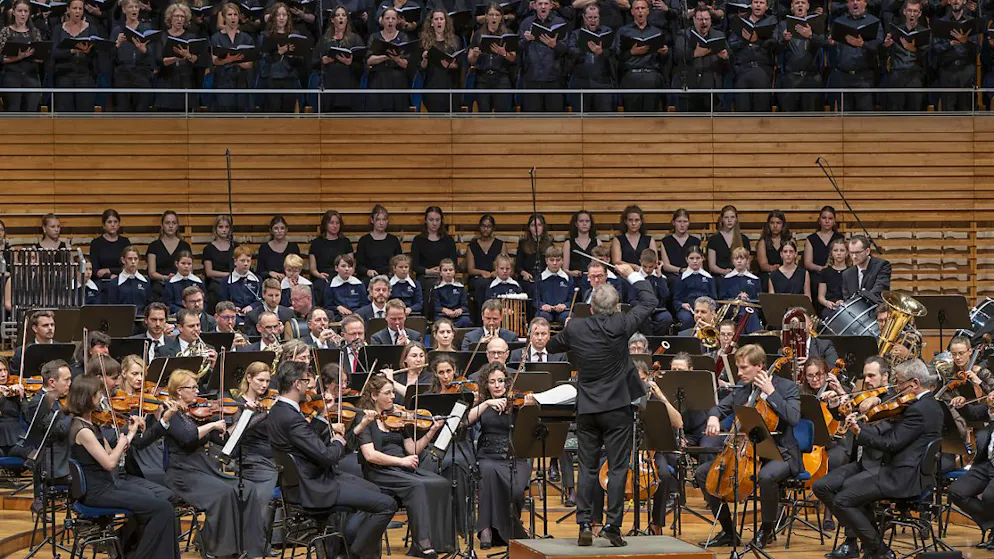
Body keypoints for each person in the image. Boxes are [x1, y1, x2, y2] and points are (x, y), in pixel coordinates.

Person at [545, 261, 656, 547]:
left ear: (591, 307)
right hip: (617, 408)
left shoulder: (577, 328)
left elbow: (552, 346)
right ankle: (612, 526)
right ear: (616, 307)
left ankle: (584, 523)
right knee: (617, 468)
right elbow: (650, 300)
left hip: (588, 409)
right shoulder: (622, 323)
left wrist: (568, 332)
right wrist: (630, 274)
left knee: (589, 468)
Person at [268, 360, 397, 559]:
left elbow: (307, 440)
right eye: (307, 382)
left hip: (305, 481)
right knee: (387, 504)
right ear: (296, 384)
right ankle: (353, 553)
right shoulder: (292, 418)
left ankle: (345, 545)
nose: (311, 388)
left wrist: (320, 416)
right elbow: (328, 456)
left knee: (374, 490)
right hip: (313, 487)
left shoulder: (279, 410)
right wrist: (338, 440)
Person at [829, 359, 943, 559]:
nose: (896, 388)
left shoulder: (917, 410)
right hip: (909, 472)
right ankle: (873, 547)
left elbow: (891, 444)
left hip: (903, 477)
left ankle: (880, 551)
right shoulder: (929, 404)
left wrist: (858, 431)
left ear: (914, 383)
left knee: (842, 499)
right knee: (849, 491)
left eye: (899, 382)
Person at [696, 344, 801, 548]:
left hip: (781, 454)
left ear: (760, 366)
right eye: (738, 367)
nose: (739, 372)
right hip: (747, 453)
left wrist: (771, 393)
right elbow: (719, 407)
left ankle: (766, 530)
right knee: (702, 473)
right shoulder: (743, 391)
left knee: (766, 476)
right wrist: (713, 417)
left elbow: (794, 418)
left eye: (744, 368)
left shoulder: (787, 387)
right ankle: (728, 531)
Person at [66, 375, 178, 559]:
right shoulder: (83, 430)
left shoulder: (91, 425)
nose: (102, 397)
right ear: (87, 397)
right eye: (98, 394)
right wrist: (121, 442)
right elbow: (110, 464)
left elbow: (114, 456)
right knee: (162, 509)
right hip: (98, 492)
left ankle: (131, 552)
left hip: (108, 486)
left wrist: (131, 433)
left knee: (159, 503)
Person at [162, 368, 269, 558]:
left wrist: (248, 416)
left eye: (197, 387)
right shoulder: (171, 414)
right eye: (192, 388)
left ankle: (249, 547)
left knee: (247, 488)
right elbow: (187, 437)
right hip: (182, 473)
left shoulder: (199, 413)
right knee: (225, 493)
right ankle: (218, 549)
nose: (197, 391)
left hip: (203, 468)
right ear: (179, 390)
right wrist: (212, 425)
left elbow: (225, 439)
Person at [357, 374, 453, 557]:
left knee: (441, 482)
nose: (393, 397)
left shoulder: (397, 418)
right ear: (374, 396)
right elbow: (370, 455)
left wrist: (431, 432)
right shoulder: (365, 420)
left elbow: (412, 448)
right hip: (380, 471)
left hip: (403, 468)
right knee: (417, 486)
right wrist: (402, 461)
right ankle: (422, 545)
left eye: (393, 392)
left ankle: (441, 542)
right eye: (388, 393)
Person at [814, 356, 892, 559]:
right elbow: (846, 413)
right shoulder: (866, 396)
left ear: (885, 376)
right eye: (865, 375)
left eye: (872, 376)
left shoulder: (892, 401)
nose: (866, 380)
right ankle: (865, 538)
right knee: (822, 486)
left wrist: (866, 412)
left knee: (846, 490)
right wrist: (835, 403)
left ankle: (856, 543)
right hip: (861, 462)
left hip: (880, 465)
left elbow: (880, 433)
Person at [466, 362, 535, 547]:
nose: (497, 385)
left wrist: (528, 409)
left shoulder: (516, 402)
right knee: (487, 476)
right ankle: (486, 529)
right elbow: (464, 421)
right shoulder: (482, 402)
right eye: (492, 382)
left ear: (507, 382)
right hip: (487, 455)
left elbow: (530, 429)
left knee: (518, 491)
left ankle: (510, 529)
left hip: (514, 455)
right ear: (486, 384)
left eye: (500, 381)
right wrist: (486, 402)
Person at [828, 0, 882, 112]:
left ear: (866, 3)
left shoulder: (874, 21)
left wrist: (863, 44)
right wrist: (831, 43)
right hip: (843, 77)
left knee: (864, 119)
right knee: (844, 120)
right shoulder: (839, 22)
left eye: (858, 0)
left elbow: (880, 47)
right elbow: (830, 48)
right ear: (847, 4)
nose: (855, 3)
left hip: (864, 78)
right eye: (852, 1)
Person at [671, 7, 727, 111]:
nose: (704, 22)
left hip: (712, 91)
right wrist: (694, 54)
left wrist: (725, 57)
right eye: (700, 19)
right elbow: (677, 56)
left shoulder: (718, 35)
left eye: (706, 19)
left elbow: (729, 59)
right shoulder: (683, 35)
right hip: (689, 91)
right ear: (694, 20)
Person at [51, 0, 101, 112]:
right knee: (65, 114)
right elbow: (54, 53)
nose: (77, 11)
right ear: (68, 10)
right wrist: (72, 50)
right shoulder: (58, 29)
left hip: (85, 75)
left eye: (80, 9)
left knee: (84, 114)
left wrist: (88, 51)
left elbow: (97, 53)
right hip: (64, 75)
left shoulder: (92, 28)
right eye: (74, 8)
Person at [775, 0, 825, 112]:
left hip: (812, 78)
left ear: (808, 6)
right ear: (792, 8)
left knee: (812, 118)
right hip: (790, 78)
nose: (800, 5)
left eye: (803, 2)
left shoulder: (816, 22)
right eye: (797, 3)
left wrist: (811, 36)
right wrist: (784, 40)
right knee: (789, 118)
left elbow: (824, 43)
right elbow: (776, 50)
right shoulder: (783, 24)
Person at [260, 3, 310, 113]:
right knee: (274, 113)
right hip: (272, 79)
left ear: (288, 17)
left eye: (284, 15)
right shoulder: (266, 35)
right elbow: (264, 61)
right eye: (278, 15)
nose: (281, 18)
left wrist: (293, 56)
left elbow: (301, 62)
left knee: (288, 114)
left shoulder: (294, 35)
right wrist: (279, 52)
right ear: (273, 17)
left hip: (290, 79)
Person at [518, 0, 567, 112]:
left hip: (553, 77)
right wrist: (526, 40)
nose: (543, 6)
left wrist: (555, 45)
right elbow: (517, 47)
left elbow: (565, 49)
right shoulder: (526, 22)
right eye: (540, 4)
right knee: (533, 119)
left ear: (551, 5)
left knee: (554, 119)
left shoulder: (559, 22)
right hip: (532, 77)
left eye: (546, 3)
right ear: (535, 6)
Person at [315, 6, 365, 111]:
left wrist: (350, 62)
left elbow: (362, 65)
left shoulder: (355, 39)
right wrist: (323, 61)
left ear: (347, 19)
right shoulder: (324, 40)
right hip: (330, 85)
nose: (341, 18)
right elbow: (313, 63)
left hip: (349, 86)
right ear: (333, 20)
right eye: (338, 15)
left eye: (343, 15)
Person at [155, 2, 204, 112]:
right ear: (170, 19)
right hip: (166, 83)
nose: (179, 19)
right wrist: (177, 57)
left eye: (182, 17)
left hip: (185, 83)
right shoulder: (162, 36)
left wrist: (189, 56)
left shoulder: (191, 37)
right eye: (176, 16)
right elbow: (159, 61)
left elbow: (198, 61)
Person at [109, 0, 155, 112]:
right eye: (130, 7)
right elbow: (110, 56)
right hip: (122, 73)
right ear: (124, 10)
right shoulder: (117, 30)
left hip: (141, 73)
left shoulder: (147, 29)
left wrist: (144, 50)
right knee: (123, 109)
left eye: (136, 7)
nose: (134, 9)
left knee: (142, 110)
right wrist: (117, 44)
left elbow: (153, 56)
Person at [567, 4, 614, 112]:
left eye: (595, 17)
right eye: (590, 17)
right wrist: (585, 49)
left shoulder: (607, 32)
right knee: (580, 119)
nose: (593, 21)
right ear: (584, 18)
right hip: (580, 81)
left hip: (602, 82)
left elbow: (613, 51)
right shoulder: (576, 34)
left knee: (603, 120)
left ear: (599, 17)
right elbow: (570, 51)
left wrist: (601, 52)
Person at [0, 0, 45, 113]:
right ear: (14, 12)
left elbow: (41, 57)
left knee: (31, 111)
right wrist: (19, 57)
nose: (23, 14)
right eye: (20, 11)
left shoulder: (35, 32)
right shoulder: (6, 32)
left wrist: (39, 57)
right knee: (13, 111)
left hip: (31, 77)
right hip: (11, 78)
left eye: (26, 11)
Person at [210, 2, 256, 112]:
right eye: (229, 15)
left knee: (240, 113)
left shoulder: (246, 38)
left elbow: (249, 64)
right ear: (224, 17)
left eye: (235, 14)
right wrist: (227, 60)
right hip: (223, 80)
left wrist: (235, 60)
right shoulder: (216, 37)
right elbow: (215, 61)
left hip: (241, 81)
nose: (233, 17)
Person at [883, 0, 927, 111]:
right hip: (897, 74)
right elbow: (883, 54)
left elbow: (928, 58)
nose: (912, 14)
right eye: (909, 11)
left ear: (920, 13)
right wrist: (886, 46)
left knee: (914, 112)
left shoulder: (925, 32)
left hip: (915, 76)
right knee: (895, 114)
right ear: (904, 12)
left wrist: (914, 49)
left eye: (915, 11)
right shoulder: (894, 31)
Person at [365, 8, 413, 112]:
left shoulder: (403, 37)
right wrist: (387, 56)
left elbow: (405, 64)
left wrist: (396, 59)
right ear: (382, 20)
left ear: (397, 21)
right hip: (378, 81)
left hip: (398, 82)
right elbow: (369, 60)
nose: (390, 21)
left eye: (393, 18)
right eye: (387, 18)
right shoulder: (374, 37)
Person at [933, 0, 975, 112]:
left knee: (966, 109)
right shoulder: (941, 23)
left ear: (965, 1)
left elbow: (977, 49)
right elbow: (936, 48)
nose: (956, 1)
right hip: (947, 69)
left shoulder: (972, 22)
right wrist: (950, 43)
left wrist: (965, 42)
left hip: (966, 69)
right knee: (948, 110)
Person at [419, 10, 463, 112]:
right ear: (431, 23)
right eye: (436, 19)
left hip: (451, 84)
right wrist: (425, 58)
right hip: (432, 85)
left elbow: (459, 65)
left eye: (441, 19)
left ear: (446, 22)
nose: (439, 22)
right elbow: (421, 67)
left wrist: (449, 65)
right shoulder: (424, 42)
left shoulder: (455, 41)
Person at [309, 210, 354, 307]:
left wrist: (346, 274)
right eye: (331, 223)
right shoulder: (316, 243)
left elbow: (351, 263)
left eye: (337, 223)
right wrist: (320, 275)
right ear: (325, 224)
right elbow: (313, 268)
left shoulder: (345, 242)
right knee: (320, 286)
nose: (335, 226)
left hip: (342, 275)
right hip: (323, 277)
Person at [630, 248, 674, 336]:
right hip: (642, 310)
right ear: (640, 262)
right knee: (644, 319)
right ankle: (648, 339)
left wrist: (659, 277)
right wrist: (643, 308)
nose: (647, 270)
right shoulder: (635, 278)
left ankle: (656, 339)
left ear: (656, 264)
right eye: (644, 266)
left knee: (667, 318)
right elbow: (631, 299)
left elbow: (665, 296)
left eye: (651, 267)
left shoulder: (661, 278)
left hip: (658, 310)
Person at [466, 214, 506, 307]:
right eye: (483, 226)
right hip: (477, 278)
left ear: (493, 228)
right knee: (482, 284)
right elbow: (470, 270)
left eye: (489, 226)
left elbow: (505, 263)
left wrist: (496, 272)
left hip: (496, 276)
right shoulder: (472, 246)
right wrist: (482, 272)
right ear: (479, 227)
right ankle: (482, 315)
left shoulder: (500, 244)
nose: (486, 229)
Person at [673, 246, 717, 330]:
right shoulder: (681, 278)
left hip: (705, 308)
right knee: (687, 319)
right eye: (691, 258)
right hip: (687, 310)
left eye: (698, 258)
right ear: (687, 259)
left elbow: (714, 298)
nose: (695, 261)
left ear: (703, 258)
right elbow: (676, 300)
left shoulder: (709, 278)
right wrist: (681, 305)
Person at [356, 205, 403, 279]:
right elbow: (359, 266)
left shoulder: (393, 240)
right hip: (370, 277)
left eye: (384, 220)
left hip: (390, 277)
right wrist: (367, 271)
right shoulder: (364, 240)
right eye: (378, 220)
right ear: (372, 220)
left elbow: (399, 261)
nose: (381, 223)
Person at [841, 234, 891, 303]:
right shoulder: (847, 274)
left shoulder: (882, 266)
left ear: (867, 251)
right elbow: (847, 300)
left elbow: (879, 292)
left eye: (857, 252)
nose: (854, 256)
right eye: (851, 253)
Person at [203, 214, 239, 306]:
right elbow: (209, 272)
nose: (224, 230)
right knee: (217, 290)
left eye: (227, 227)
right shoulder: (209, 248)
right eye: (220, 227)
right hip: (216, 281)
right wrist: (226, 275)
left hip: (234, 280)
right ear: (215, 229)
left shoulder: (235, 247)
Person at [707, 205, 751, 277]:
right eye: (726, 217)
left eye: (732, 217)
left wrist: (736, 272)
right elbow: (712, 266)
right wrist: (724, 272)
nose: (729, 220)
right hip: (720, 276)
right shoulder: (714, 239)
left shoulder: (744, 239)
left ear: (736, 219)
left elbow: (747, 265)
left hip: (739, 276)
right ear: (722, 219)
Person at [535, 246, 575, 323]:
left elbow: (572, 299)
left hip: (563, 311)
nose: (555, 263)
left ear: (563, 261)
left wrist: (565, 305)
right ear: (546, 261)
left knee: (569, 318)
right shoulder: (539, 278)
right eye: (551, 260)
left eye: (558, 260)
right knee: (541, 317)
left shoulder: (568, 279)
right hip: (545, 311)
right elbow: (535, 299)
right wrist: (542, 305)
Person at [88, 209, 131, 282]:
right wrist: (110, 275)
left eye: (115, 222)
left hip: (123, 279)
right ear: (104, 225)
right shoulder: (96, 243)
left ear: (119, 225)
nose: (113, 225)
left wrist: (109, 270)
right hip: (102, 281)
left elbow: (129, 266)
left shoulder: (125, 242)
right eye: (109, 222)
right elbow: (95, 270)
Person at [10, 309, 57, 374]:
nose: (50, 328)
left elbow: (73, 374)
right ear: (35, 328)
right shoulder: (21, 352)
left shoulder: (65, 349)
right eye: (45, 325)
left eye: (52, 325)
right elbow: (14, 375)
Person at [256, 215, 301, 281]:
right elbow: (259, 272)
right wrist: (270, 273)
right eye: (276, 228)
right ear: (271, 231)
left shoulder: (293, 247)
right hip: (270, 282)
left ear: (286, 230)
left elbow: (298, 269)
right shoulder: (264, 248)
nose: (279, 231)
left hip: (289, 281)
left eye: (282, 228)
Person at [611, 205, 656, 269]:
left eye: (637, 220)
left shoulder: (649, 239)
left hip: (646, 273)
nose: (633, 223)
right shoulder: (618, 240)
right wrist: (635, 267)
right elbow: (616, 261)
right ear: (625, 221)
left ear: (641, 222)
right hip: (624, 274)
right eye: (630, 220)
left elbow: (654, 260)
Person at [562, 210, 599, 287]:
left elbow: (600, 267)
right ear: (576, 224)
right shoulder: (568, 243)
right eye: (581, 221)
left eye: (587, 221)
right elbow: (565, 269)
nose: (584, 224)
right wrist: (571, 273)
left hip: (592, 280)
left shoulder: (597, 243)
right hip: (574, 280)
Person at [326, 254, 368, 320]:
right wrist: (337, 308)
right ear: (336, 268)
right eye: (343, 266)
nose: (347, 269)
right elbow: (328, 306)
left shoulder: (359, 284)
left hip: (358, 316)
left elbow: (364, 304)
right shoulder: (330, 285)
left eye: (349, 266)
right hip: (338, 316)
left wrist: (356, 314)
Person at [660, 209, 700, 276]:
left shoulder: (695, 241)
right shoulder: (666, 241)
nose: (682, 225)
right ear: (673, 223)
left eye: (685, 221)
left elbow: (699, 264)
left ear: (689, 223)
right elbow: (666, 266)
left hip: (692, 274)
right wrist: (681, 270)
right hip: (672, 276)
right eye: (679, 221)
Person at [817, 238, 849, 319]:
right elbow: (821, 296)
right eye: (835, 250)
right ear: (831, 252)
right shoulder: (825, 272)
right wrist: (826, 303)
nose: (839, 253)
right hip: (830, 307)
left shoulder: (851, 271)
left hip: (847, 306)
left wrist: (844, 302)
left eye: (842, 250)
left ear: (847, 253)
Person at [756, 209, 791, 284]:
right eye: (772, 223)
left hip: (786, 272)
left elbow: (793, 261)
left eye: (778, 223)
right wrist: (773, 268)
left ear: (783, 225)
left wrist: (782, 270)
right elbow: (763, 265)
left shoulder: (789, 241)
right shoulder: (763, 242)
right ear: (768, 224)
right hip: (768, 273)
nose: (775, 226)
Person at [433, 259, 472, 327]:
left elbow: (465, 305)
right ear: (440, 272)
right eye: (445, 270)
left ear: (454, 272)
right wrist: (444, 310)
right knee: (439, 322)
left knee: (466, 320)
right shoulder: (436, 288)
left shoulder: (460, 287)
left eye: (451, 270)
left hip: (458, 316)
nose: (448, 272)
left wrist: (460, 310)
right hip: (443, 315)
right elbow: (436, 306)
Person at [516, 214, 553, 284]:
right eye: (533, 225)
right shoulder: (523, 243)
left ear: (543, 227)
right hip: (528, 279)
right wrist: (524, 273)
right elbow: (518, 266)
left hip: (545, 278)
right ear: (529, 228)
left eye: (539, 225)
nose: (536, 228)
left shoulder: (549, 243)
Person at [0, 358, 24, 456]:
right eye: (0, 371)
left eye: (5, 370)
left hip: (16, 437)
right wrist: (4, 393)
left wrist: (23, 397)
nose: (4, 374)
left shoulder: (14, 391)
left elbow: (28, 415)